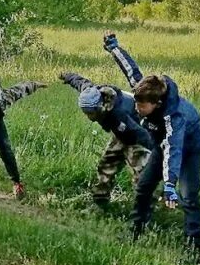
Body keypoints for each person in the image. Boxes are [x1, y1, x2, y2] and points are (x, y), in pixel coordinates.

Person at [103, 32, 200, 254]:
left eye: (142, 107)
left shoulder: (174, 117)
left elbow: (174, 148)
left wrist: (170, 184)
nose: (138, 110)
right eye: (137, 104)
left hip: (189, 149)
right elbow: (130, 70)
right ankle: (136, 230)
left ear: (157, 104)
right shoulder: (145, 90)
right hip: (166, 147)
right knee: (144, 187)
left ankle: (194, 249)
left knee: (188, 196)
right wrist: (114, 48)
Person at [59, 70, 154, 208]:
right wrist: (68, 76)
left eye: (91, 113)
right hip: (120, 134)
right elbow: (81, 82)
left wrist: (156, 150)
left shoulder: (118, 114)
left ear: (99, 107)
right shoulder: (92, 93)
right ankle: (100, 204)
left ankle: (146, 211)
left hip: (135, 135)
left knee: (142, 176)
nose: (88, 117)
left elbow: (140, 134)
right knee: (106, 167)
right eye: (85, 113)